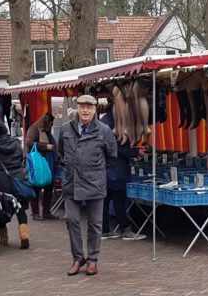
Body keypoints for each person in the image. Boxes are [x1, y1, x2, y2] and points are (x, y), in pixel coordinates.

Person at [58, 95, 117, 276]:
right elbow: (61, 152)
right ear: (77, 108)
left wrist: (94, 169)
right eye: (82, 106)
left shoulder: (104, 130)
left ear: (95, 110)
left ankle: (92, 259)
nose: (85, 110)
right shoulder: (66, 129)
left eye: (89, 107)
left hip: (95, 183)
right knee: (72, 220)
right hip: (72, 182)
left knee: (95, 224)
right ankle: (77, 258)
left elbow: (112, 156)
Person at [99, 111, 147, 241]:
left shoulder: (104, 122)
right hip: (115, 172)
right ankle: (125, 229)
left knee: (105, 201)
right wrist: (135, 151)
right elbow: (116, 150)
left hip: (106, 171)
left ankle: (105, 230)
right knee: (119, 201)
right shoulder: (111, 124)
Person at [24, 113, 58, 220]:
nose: (51, 126)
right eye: (51, 123)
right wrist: (46, 146)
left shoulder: (46, 132)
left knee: (49, 187)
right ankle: (35, 213)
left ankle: (46, 212)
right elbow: (29, 142)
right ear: (46, 122)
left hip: (46, 164)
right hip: (37, 164)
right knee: (36, 188)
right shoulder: (34, 129)